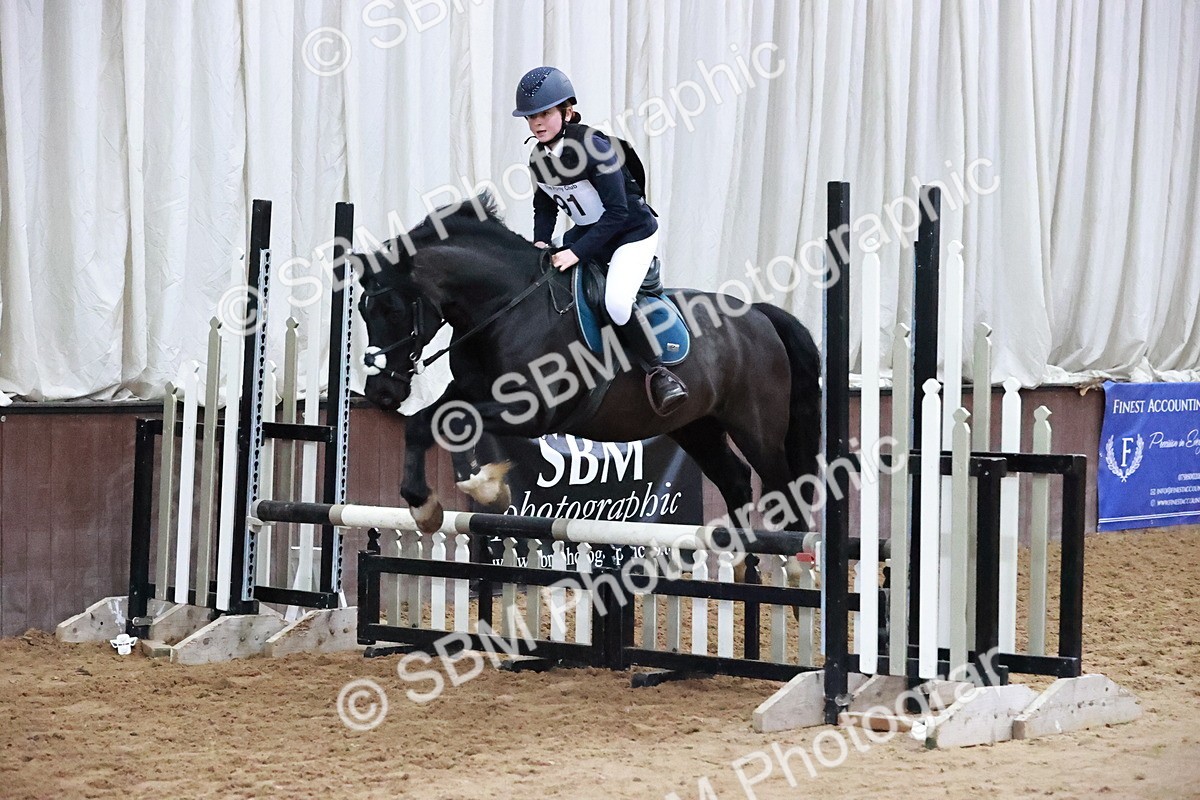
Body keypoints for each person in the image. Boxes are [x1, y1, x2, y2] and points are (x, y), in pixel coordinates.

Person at [512, 66, 688, 417]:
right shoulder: (538, 157)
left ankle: (659, 372)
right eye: (531, 117)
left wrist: (576, 252)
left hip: (630, 234)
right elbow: (545, 204)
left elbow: (618, 212)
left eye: (545, 114)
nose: (537, 123)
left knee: (618, 303)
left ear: (567, 111)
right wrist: (542, 242)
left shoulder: (594, 146)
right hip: (590, 231)